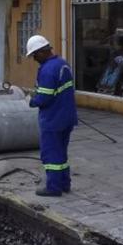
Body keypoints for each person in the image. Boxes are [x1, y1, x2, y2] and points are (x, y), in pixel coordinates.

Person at [26, 35, 78, 197]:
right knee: (61, 152)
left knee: (50, 153)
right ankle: (64, 183)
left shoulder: (48, 70)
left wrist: (31, 100)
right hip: (67, 117)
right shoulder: (63, 64)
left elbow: (44, 98)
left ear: (42, 52)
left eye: (34, 55)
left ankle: (53, 187)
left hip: (53, 119)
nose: (34, 59)